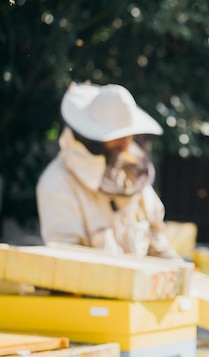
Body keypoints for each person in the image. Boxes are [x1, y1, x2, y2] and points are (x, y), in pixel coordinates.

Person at [36, 82, 181, 259]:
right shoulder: (57, 183)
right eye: (117, 136)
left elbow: (159, 247)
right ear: (90, 136)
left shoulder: (129, 176)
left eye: (128, 134)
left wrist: (183, 274)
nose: (126, 143)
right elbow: (66, 265)